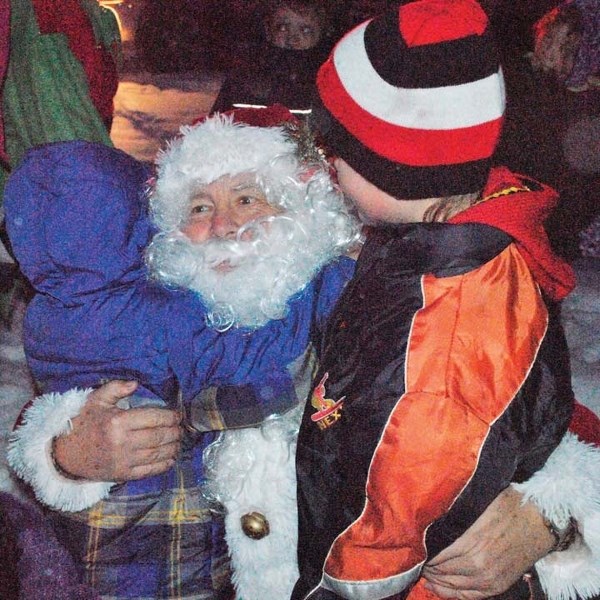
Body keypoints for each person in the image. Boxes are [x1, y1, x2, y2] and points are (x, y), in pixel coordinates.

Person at [291, 1, 600, 599]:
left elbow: (387, 526)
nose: (324, 168)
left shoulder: (443, 329)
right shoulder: (448, 241)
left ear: (390, 172)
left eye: (338, 155)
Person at [5, 105, 360, 599]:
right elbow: (70, 391)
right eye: (199, 207)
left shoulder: (362, 301)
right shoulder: (150, 316)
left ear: (302, 210)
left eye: (245, 198)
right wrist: (66, 453)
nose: (222, 226)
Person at [210, 0, 336, 113]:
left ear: (321, 34)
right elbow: (216, 125)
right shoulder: (245, 75)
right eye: (283, 27)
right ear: (268, 30)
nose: (292, 38)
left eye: (305, 30)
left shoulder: (329, 81)